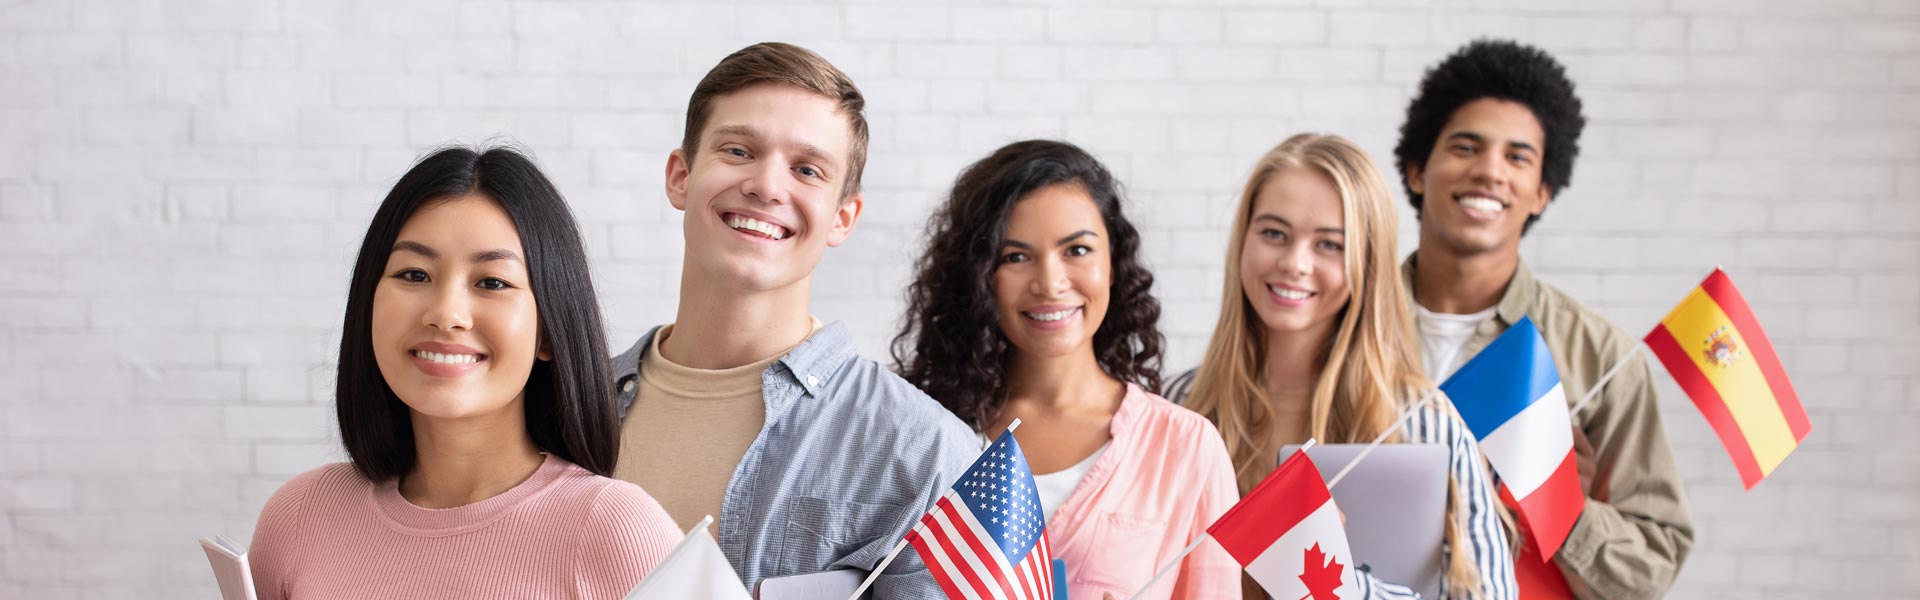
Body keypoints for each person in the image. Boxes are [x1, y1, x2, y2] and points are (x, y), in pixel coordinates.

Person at [607, 42, 977, 595]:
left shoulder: (921, 451)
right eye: (737, 151)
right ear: (680, 176)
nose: (767, 186)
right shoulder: (562, 406)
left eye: (807, 169)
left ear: (843, 217)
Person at [248, 146, 680, 599]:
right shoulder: (300, 517)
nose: (446, 313)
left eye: (492, 282)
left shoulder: (615, 531)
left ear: (549, 332)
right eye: (414, 274)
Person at [1389, 39, 1693, 599]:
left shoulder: (1598, 357)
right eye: (1465, 146)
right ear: (1415, 169)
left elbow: (1651, 570)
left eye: (1517, 157)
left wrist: (1564, 511)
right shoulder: (1342, 323)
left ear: (1541, 193)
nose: (1489, 172)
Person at [1170, 134, 1516, 599]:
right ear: (1243, 242)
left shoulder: (1425, 423)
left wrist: (1337, 585)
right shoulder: (1176, 409)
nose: (1294, 263)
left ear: (1367, 265)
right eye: (1274, 233)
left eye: (1329, 245)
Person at [894, 140, 1241, 599]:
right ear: (979, 277)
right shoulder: (924, 432)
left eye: (1076, 250)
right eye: (1015, 257)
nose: (1051, 283)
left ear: (1112, 263)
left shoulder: (1184, 445)